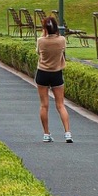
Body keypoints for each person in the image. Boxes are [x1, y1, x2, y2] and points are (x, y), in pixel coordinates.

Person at [33, 12, 72, 141]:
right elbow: (63, 50)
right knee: (61, 104)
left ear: (44, 29)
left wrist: (44, 34)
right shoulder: (61, 40)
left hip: (42, 73)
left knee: (44, 105)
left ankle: (46, 134)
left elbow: (38, 52)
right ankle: (67, 133)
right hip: (56, 73)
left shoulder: (41, 41)